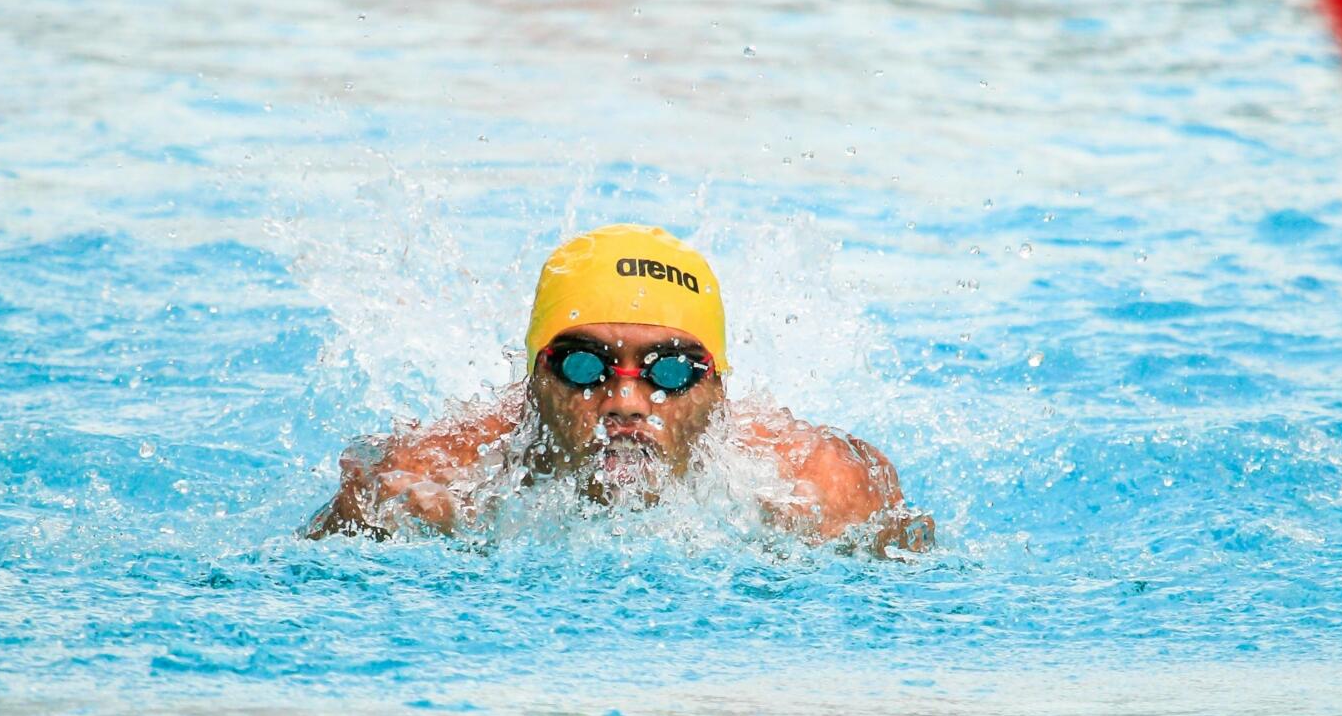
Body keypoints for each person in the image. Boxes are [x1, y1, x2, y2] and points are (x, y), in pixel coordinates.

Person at [307, 224, 932, 552]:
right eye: (584, 367)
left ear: (716, 388)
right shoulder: (430, 478)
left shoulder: (822, 486)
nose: (626, 401)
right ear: (534, 382)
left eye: (670, 371)